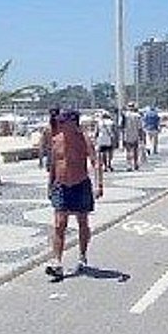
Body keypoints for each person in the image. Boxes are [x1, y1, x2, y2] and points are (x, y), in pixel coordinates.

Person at [45, 109, 103, 282]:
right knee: (59, 224)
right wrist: (50, 185)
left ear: (73, 123)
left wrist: (99, 185)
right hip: (61, 185)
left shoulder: (84, 139)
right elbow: (54, 165)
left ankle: (82, 256)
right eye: (59, 122)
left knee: (82, 222)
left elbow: (95, 162)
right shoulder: (56, 140)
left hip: (80, 184)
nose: (60, 125)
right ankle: (57, 262)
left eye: (63, 122)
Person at [121, 102, 143, 171]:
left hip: (127, 135)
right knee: (135, 151)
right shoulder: (137, 116)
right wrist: (141, 136)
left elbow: (121, 126)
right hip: (135, 135)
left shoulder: (125, 115)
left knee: (128, 151)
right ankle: (135, 164)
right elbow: (140, 127)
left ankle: (129, 165)